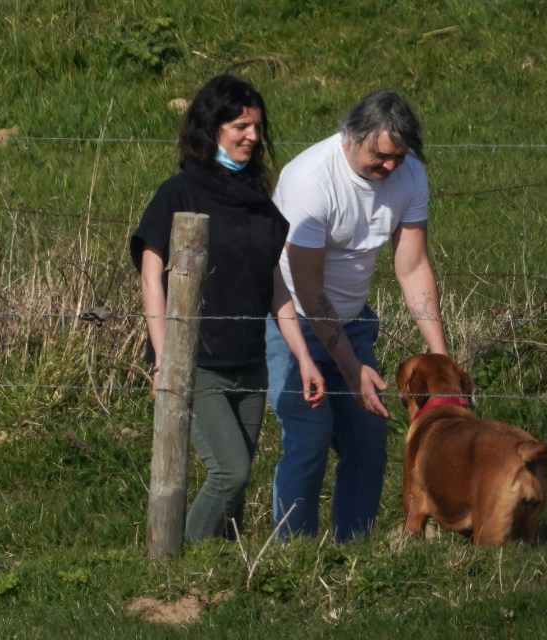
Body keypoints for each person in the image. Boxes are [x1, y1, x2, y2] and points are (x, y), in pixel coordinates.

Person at [131, 74, 324, 543]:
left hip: (249, 363)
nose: (252, 137)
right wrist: (164, 358)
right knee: (229, 473)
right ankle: (177, 570)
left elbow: (275, 286)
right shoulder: (179, 194)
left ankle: (223, 576)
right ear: (212, 128)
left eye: (256, 127)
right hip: (197, 363)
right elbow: (151, 275)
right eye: (241, 125)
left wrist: (302, 356)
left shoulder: (259, 203)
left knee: (237, 488)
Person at [265, 89, 448, 541]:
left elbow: (412, 266)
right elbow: (306, 289)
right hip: (293, 324)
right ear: (352, 135)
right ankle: (295, 552)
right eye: (380, 156)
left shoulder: (410, 177)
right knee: (309, 438)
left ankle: (355, 548)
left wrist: (440, 358)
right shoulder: (310, 179)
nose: (389, 167)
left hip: (353, 321)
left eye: (398, 158)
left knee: (367, 437)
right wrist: (350, 368)